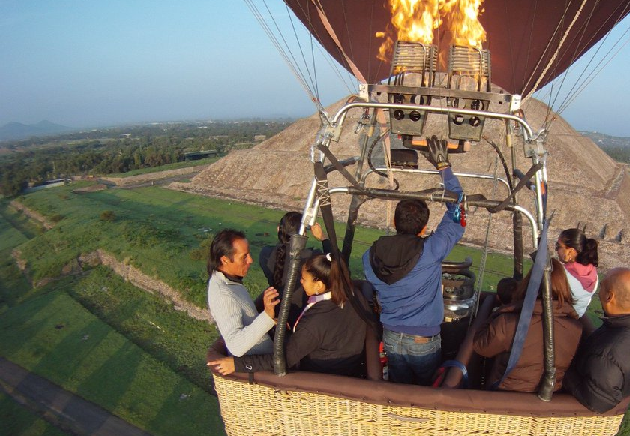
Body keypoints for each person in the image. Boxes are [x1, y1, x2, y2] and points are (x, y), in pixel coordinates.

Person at [363, 136, 465, 385]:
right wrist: (443, 167)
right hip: (423, 341)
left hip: (390, 335)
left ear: (395, 223)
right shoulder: (431, 250)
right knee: (425, 394)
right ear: (423, 228)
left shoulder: (370, 255)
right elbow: (458, 209)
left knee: (399, 390)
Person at [207, 253, 368, 377]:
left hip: (321, 372)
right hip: (346, 361)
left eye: (304, 279)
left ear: (319, 284)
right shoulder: (352, 295)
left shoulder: (316, 323)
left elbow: (283, 360)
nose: (301, 282)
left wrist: (237, 364)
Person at [472, 259, 583, 392]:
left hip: (506, 396)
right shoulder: (576, 329)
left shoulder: (508, 323)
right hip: (551, 397)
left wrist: (501, 311)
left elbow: (480, 345)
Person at [563, 267, 630, 413]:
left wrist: (563, 370)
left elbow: (597, 402)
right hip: (611, 373)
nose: (599, 291)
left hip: (584, 397)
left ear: (609, 297)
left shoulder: (606, 356)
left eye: (602, 287)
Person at [207, 229, 279, 357]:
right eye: (244, 256)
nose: (250, 260)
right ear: (225, 260)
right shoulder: (223, 295)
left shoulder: (229, 280)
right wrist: (267, 315)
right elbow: (236, 346)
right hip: (258, 365)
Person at [258, 212, 330, 325]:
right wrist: (323, 238)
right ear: (303, 234)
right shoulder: (312, 257)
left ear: (278, 229)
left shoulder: (265, 253)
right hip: (301, 316)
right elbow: (338, 265)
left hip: (274, 310)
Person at [555, 228, 599, 318]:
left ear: (570, 251)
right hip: (578, 317)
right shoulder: (593, 272)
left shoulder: (563, 274)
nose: (556, 250)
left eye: (558, 246)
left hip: (562, 319)